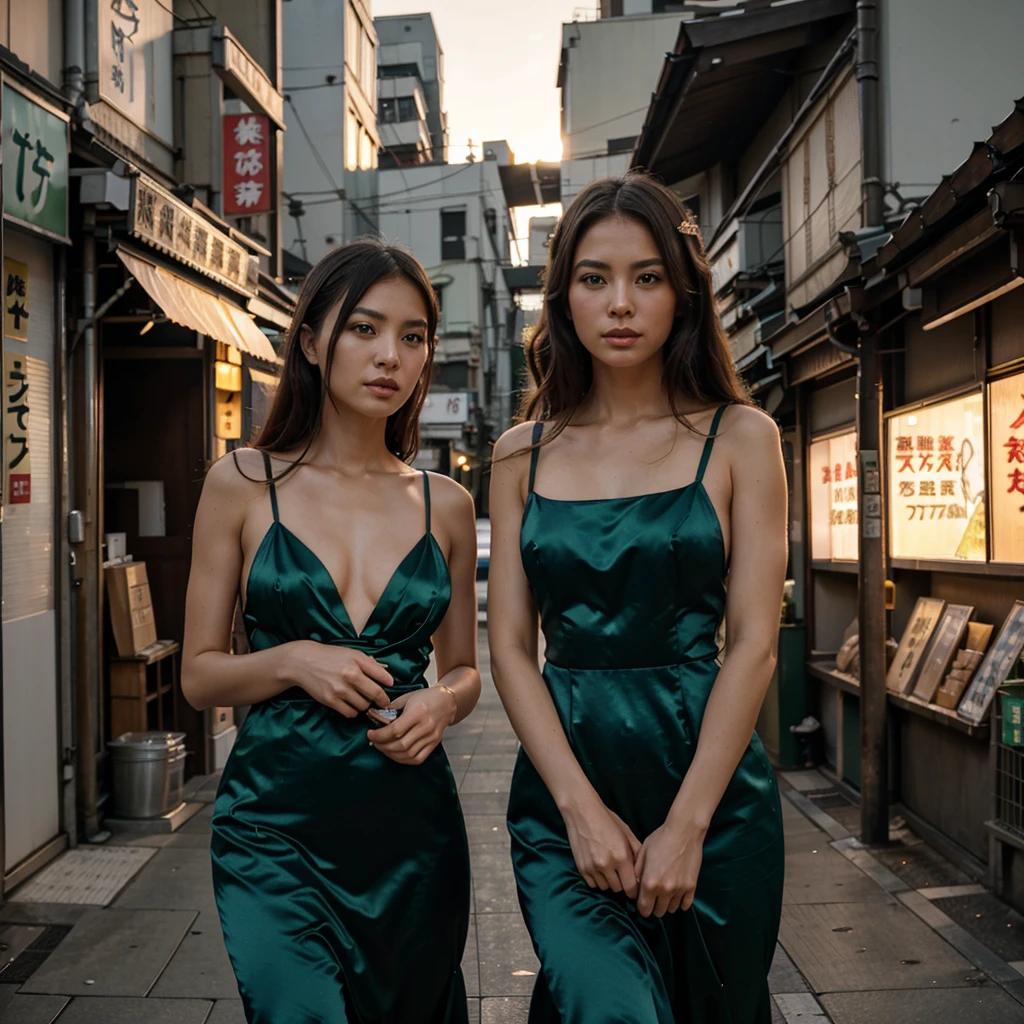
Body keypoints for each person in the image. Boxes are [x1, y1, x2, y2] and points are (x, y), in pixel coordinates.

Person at [488, 172, 787, 1023]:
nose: (621, 302)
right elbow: (511, 646)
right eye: (595, 278)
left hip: (713, 794)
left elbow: (756, 644)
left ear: (682, 293)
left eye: (647, 277)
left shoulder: (741, 437)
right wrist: (578, 810)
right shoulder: (520, 454)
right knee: (606, 1005)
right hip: (565, 788)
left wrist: (689, 825)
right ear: (563, 298)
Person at [181, 239, 480, 1024]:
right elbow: (200, 675)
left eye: (413, 337)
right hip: (275, 828)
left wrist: (442, 705)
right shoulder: (242, 483)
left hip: (413, 830)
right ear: (311, 342)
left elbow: (465, 670)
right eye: (365, 329)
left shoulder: (444, 503)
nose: (391, 356)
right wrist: (293, 660)